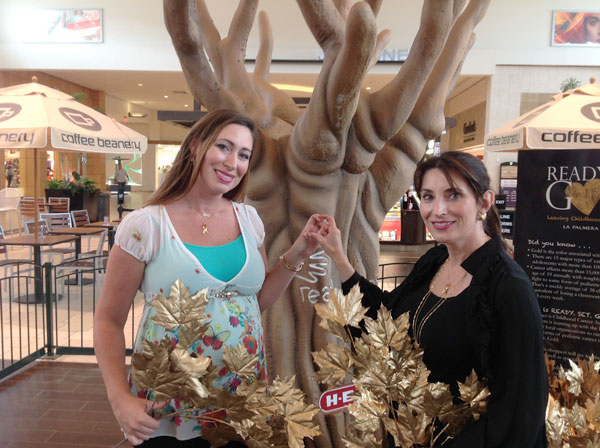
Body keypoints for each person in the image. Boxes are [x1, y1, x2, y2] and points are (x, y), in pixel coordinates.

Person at [94, 109, 326, 447]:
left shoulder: (248, 219)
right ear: (195, 147)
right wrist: (119, 400)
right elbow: (108, 320)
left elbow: (254, 300)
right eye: (224, 147)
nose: (233, 162)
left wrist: (299, 252)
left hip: (239, 396)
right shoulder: (146, 226)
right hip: (170, 404)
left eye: (244, 154)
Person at [309, 151, 548, 447]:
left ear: (484, 202)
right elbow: (387, 319)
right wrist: (339, 257)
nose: (438, 210)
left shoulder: (508, 288)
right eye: (428, 196)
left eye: (453, 195)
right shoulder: (434, 261)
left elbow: (520, 414)